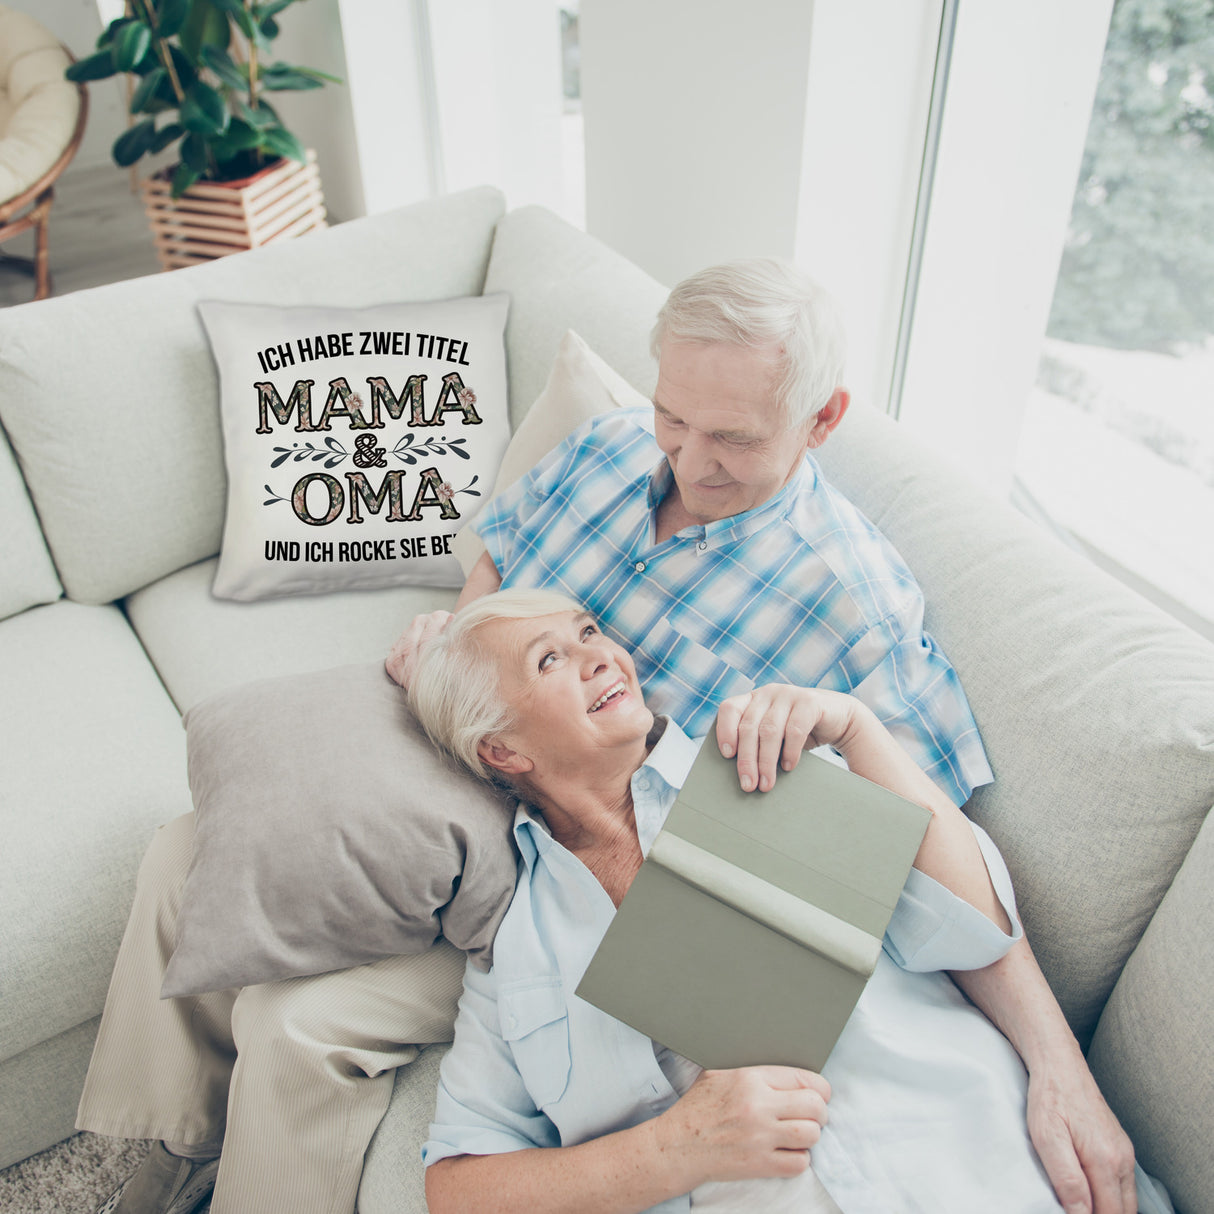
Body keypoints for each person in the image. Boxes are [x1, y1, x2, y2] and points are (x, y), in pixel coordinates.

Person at [79, 260, 1132, 1214]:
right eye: (675, 416)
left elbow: (927, 856)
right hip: (488, 748)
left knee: (300, 1023)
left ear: (820, 420)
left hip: (579, 852)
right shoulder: (608, 447)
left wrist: (1058, 1064)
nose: (687, 458)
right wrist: (458, 643)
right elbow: (499, 559)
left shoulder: (854, 609)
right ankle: (160, 1148)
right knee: (192, 847)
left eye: (732, 438)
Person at [407, 588, 1161, 1214]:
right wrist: (674, 1149)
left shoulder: (762, 762)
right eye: (551, 659)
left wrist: (859, 731)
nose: (601, 655)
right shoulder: (517, 951)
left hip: (985, 1168)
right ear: (502, 750)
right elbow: (458, 1188)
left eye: (589, 632)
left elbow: (972, 929)